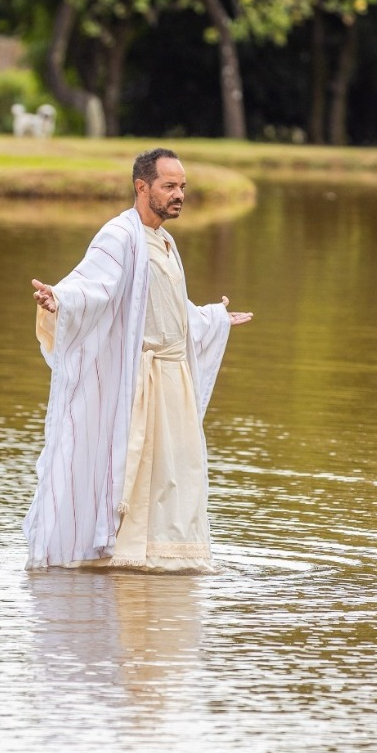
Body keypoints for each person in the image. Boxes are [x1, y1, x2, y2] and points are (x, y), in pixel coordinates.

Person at [26, 149, 253, 571]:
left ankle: (165, 555)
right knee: (135, 467)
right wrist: (58, 299)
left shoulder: (165, 242)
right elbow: (93, 287)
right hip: (141, 383)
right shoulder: (120, 235)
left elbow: (174, 312)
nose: (179, 194)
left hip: (173, 382)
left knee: (173, 473)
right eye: (169, 186)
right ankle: (120, 555)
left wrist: (214, 318)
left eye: (182, 186)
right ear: (141, 187)